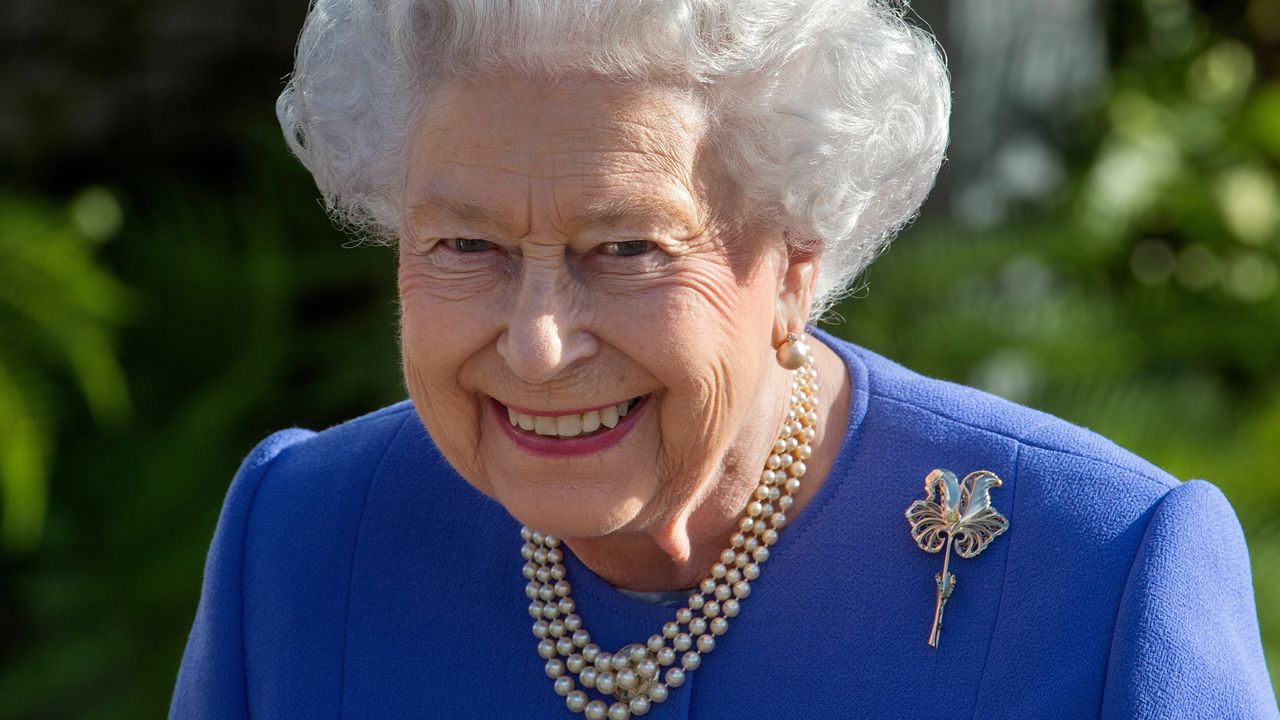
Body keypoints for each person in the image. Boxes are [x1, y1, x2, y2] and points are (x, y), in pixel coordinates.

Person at [169, 1, 1279, 718]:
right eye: (466, 246)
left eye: (626, 249)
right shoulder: (305, 539)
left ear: (798, 258)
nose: (538, 343)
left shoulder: (1098, 576)